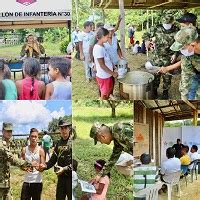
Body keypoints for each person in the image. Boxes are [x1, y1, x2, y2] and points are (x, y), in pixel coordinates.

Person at [143, 12, 179, 99]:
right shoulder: (156, 28)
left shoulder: (177, 30)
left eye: (168, 23)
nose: (166, 25)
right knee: (155, 76)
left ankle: (165, 92)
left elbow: (180, 44)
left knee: (167, 77)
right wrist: (147, 41)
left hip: (169, 58)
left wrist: (175, 54)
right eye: (165, 23)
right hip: (157, 57)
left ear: (172, 22)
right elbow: (145, 35)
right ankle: (154, 91)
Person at [38, 119, 72, 200]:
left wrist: (64, 169)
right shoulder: (58, 143)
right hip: (61, 178)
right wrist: (45, 166)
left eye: (65, 128)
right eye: (61, 128)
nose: (64, 130)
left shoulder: (73, 142)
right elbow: (53, 160)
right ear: (59, 130)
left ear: (69, 129)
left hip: (71, 178)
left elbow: (76, 164)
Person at [0, 122, 33, 200]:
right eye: (7, 131)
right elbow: (11, 158)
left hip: (5, 181)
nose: (9, 133)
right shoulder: (1, 145)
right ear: (2, 131)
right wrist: (27, 164)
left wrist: (22, 167)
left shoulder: (8, 144)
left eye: (10, 131)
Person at [93, 28, 118, 99]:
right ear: (103, 37)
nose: (109, 37)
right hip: (103, 76)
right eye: (107, 36)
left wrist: (113, 66)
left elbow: (107, 59)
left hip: (107, 75)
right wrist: (113, 73)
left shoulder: (103, 46)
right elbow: (102, 65)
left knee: (108, 92)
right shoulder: (98, 48)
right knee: (104, 95)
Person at [21, 128, 45, 200]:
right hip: (27, 181)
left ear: (38, 138)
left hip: (37, 182)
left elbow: (42, 167)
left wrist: (40, 167)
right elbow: (21, 165)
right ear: (29, 137)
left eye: (35, 136)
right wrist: (26, 167)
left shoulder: (41, 150)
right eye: (32, 136)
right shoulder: (24, 149)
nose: (34, 138)